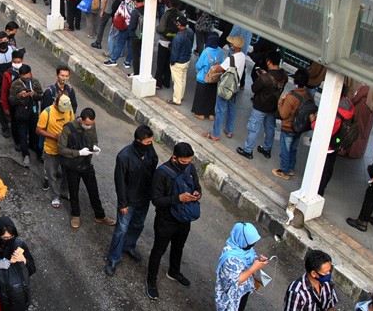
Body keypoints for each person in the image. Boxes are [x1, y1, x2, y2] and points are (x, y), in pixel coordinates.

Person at [146, 142, 202, 300]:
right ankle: (151, 281)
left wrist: (197, 193)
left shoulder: (190, 168)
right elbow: (156, 200)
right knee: (158, 251)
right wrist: (178, 198)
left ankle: (174, 271)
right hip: (166, 220)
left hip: (184, 220)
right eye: (183, 162)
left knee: (179, 247)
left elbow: (197, 186)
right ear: (174, 158)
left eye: (189, 161)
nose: (187, 165)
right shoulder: (162, 173)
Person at [105, 125, 158, 276]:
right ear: (138, 141)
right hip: (129, 201)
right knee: (121, 229)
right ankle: (114, 258)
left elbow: (154, 163)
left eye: (151, 142)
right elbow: (120, 182)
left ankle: (129, 246)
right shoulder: (124, 157)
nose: (150, 145)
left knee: (138, 225)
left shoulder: (149, 151)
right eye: (147, 142)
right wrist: (123, 203)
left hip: (144, 198)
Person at [57, 108, 116, 229]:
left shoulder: (91, 125)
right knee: (74, 192)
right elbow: (61, 149)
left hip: (87, 165)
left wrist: (95, 147)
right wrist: (78, 153)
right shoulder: (69, 128)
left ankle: (100, 215)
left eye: (92, 124)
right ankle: (75, 215)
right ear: (81, 120)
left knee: (94, 191)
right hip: (72, 166)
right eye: (87, 124)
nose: (90, 126)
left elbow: (94, 139)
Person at [237, 51, 287, 159]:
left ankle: (248, 150)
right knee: (270, 129)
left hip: (260, 106)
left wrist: (262, 77)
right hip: (273, 107)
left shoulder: (264, 78)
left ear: (269, 62)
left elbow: (254, 88)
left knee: (254, 128)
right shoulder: (284, 76)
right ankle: (266, 149)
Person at [0, 216, 37, 311]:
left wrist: (24, 261)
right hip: (1, 302)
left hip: (21, 297)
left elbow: (32, 269)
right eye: (5, 238)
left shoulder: (20, 245)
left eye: (11, 237)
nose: (9, 240)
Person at [215, 222, 269, 311]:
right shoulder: (230, 258)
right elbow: (236, 280)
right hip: (231, 296)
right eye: (250, 244)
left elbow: (251, 255)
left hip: (243, 291)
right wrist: (253, 268)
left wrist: (258, 259)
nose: (252, 246)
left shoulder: (245, 248)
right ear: (242, 240)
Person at [204, 36, 246, 142]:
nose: (230, 45)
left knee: (220, 110)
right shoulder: (243, 56)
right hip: (235, 87)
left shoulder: (230, 59)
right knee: (232, 108)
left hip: (226, 87)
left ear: (234, 46)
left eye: (232, 44)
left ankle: (215, 134)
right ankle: (229, 130)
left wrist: (215, 66)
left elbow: (219, 69)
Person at [36, 93, 74, 209]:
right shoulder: (46, 113)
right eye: (61, 110)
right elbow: (38, 130)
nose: (64, 112)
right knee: (51, 174)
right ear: (56, 104)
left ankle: (64, 192)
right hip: (51, 149)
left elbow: (72, 124)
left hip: (65, 149)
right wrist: (53, 136)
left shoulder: (69, 110)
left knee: (66, 173)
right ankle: (55, 196)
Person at [272, 69, 310, 181]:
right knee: (293, 149)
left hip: (288, 127)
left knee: (285, 150)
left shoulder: (291, 96)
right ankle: (291, 168)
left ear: (295, 81)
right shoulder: (308, 95)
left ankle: (284, 171)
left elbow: (283, 114)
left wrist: (281, 101)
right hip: (299, 127)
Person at [8, 64, 42, 167]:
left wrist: (34, 94)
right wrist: (20, 96)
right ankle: (25, 154)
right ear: (20, 76)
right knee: (22, 134)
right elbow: (11, 101)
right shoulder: (15, 85)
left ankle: (35, 149)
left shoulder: (35, 82)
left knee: (34, 133)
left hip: (33, 112)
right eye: (24, 78)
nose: (27, 80)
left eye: (28, 77)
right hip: (21, 113)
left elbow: (41, 96)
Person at [190, 34, 224, 120]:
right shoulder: (220, 51)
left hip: (204, 78)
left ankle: (200, 113)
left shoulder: (206, 51)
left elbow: (199, 65)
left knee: (200, 96)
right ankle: (210, 114)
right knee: (211, 96)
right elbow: (222, 63)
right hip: (214, 78)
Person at [154, 0, 179, 89]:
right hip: (174, 42)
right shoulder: (180, 15)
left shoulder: (166, 14)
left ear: (170, 3)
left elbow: (161, 28)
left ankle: (158, 83)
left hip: (164, 41)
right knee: (169, 63)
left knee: (160, 63)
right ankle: (166, 82)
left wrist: (157, 29)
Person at [167, 16, 194, 106]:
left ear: (179, 25)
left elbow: (175, 52)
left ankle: (177, 100)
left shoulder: (177, 38)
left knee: (177, 81)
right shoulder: (190, 32)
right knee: (183, 79)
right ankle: (180, 96)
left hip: (178, 62)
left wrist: (172, 62)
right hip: (186, 60)